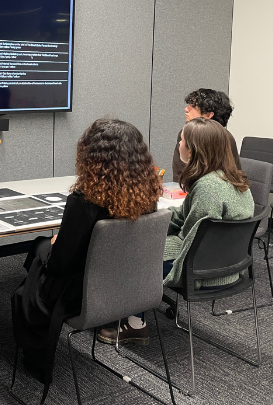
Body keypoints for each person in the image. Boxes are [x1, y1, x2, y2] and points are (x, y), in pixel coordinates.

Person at [12, 118, 162, 383]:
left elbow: (60, 265)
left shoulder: (85, 200)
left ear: (91, 155)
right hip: (127, 286)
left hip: (82, 292)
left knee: (36, 260)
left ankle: (34, 354)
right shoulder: (147, 195)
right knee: (40, 247)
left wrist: (55, 246)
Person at [99, 117, 254, 345]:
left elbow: (192, 241)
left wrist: (144, 242)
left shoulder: (207, 188)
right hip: (229, 266)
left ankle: (133, 325)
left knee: (133, 255)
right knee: (142, 245)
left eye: (181, 140)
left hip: (204, 271)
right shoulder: (232, 179)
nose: (178, 144)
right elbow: (184, 219)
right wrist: (154, 228)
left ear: (193, 150)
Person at [170, 88, 240, 183]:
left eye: (193, 106)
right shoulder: (185, 134)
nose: (186, 109)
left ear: (208, 115)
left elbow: (232, 176)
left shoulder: (225, 138)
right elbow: (179, 172)